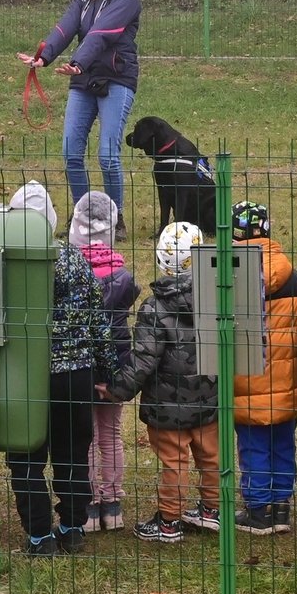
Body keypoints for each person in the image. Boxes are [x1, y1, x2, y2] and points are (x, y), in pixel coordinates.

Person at [5, 182, 115, 555]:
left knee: (26, 458)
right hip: (74, 372)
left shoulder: (6, 261)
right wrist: (105, 370)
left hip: (24, 373)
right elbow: (98, 321)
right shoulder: (73, 260)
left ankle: (39, 535)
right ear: (52, 218)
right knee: (72, 454)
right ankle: (72, 527)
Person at [101, 222, 217, 543]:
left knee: (174, 462)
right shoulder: (216, 296)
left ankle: (169, 520)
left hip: (168, 406)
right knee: (211, 456)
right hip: (209, 395)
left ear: (162, 259)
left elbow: (143, 360)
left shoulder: (155, 307)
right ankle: (212, 509)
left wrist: (116, 390)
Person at [20, 0, 141, 211]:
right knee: (71, 153)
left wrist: (77, 63)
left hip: (116, 78)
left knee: (108, 156)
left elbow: (102, 33)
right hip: (83, 77)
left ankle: (115, 217)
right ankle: (82, 215)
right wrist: (43, 56)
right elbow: (65, 28)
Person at [230, 200, 297, 536]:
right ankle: (281, 506)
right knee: (283, 443)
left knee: (254, 446)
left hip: (248, 378)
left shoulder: (230, 276)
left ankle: (258, 510)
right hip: (287, 380)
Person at [69, 191, 137, 533]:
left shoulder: (70, 273)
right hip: (116, 364)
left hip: (81, 362)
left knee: (88, 436)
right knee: (111, 433)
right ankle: (113, 503)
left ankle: (90, 504)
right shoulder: (123, 277)